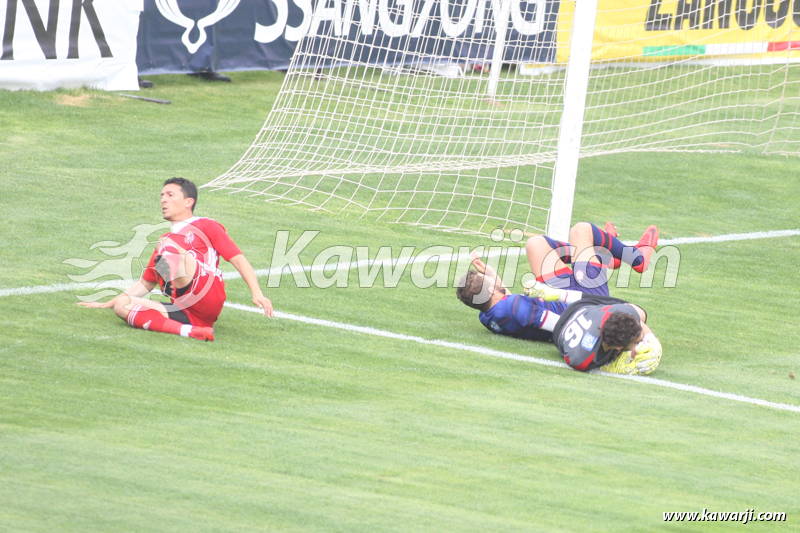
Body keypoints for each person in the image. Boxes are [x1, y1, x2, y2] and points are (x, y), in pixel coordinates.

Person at [79, 178, 273, 341]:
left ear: (188, 202)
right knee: (124, 306)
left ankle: (172, 288)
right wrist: (109, 303)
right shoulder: (166, 240)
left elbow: (239, 260)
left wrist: (257, 293)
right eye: (162, 196)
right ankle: (190, 332)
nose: (163, 200)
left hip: (207, 290)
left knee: (166, 246)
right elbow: (146, 283)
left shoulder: (206, 225)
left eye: (170, 195)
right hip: (186, 310)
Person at [456, 221, 662, 374]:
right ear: (492, 291)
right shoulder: (515, 307)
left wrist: (493, 277)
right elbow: (558, 324)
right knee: (581, 231)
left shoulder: (488, 316)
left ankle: (600, 256)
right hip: (580, 304)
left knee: (535, 244)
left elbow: (510, 306)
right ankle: (636, 257)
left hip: (556, 297)